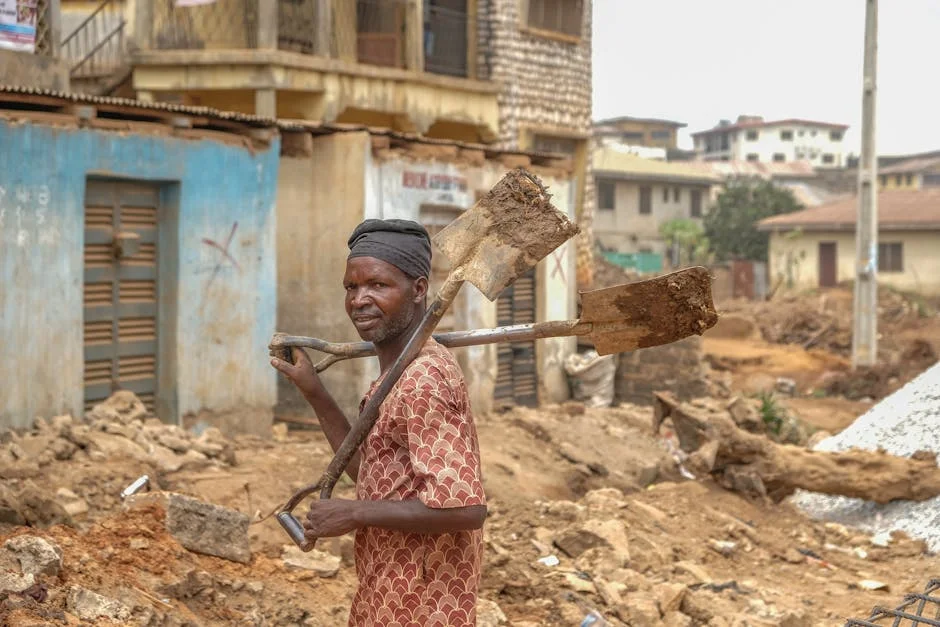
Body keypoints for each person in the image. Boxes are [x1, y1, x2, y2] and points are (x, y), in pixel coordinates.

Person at [271, 219, 487, 627]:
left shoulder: (423, 381)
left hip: (423, 608)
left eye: (378, 285)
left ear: (419, 290)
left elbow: (466, 509)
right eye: (351, 288)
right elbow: (370, 473)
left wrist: (355, 513)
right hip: (385, 595)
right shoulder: (395, 377)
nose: (359, 299)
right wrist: (313, 391)